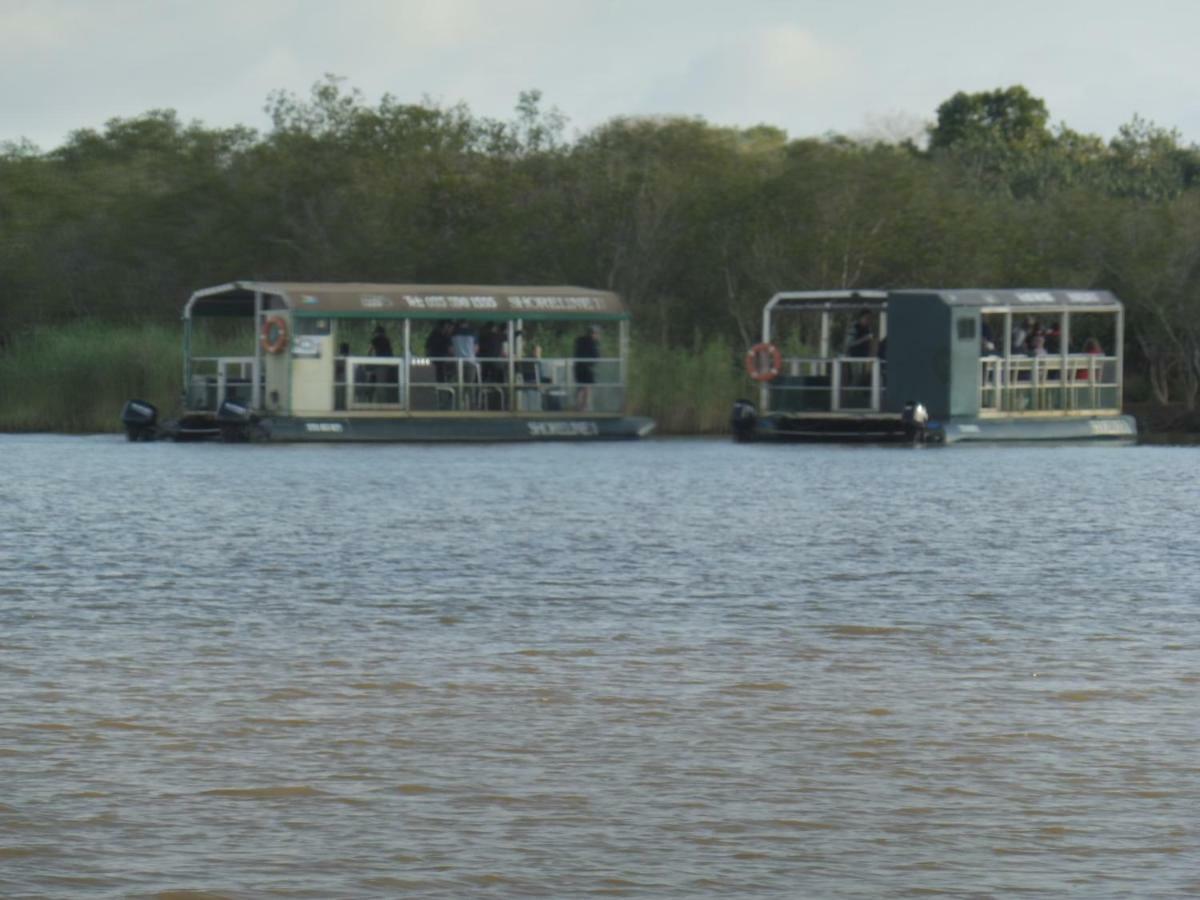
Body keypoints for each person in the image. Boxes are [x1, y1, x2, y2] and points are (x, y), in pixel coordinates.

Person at [573, 325, 601, 411]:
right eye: (595, 333)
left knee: (581, 387)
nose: (596, 335)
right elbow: (596, 355)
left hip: (579, 367)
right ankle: (583, 407)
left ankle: (580, 406)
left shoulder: (580, 340)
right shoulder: (592, 342)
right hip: (586, 368)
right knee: (586, 387)